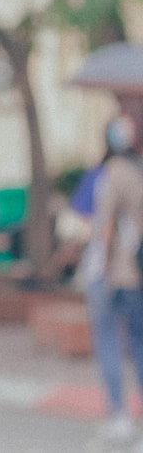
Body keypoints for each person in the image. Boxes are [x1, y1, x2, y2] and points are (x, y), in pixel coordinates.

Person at [92, 114, 143, 446]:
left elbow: (106, 224)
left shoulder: (115, 173)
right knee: (139, 345)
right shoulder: (139, 171)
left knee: (110, 340)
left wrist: (102, 267)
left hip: (119, 274)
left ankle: (120, 413)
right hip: (138, 273)